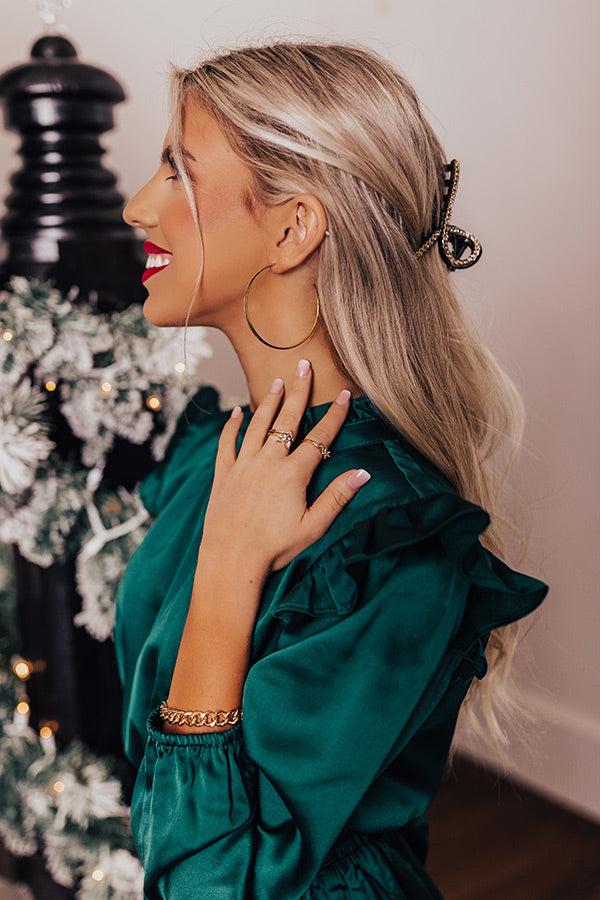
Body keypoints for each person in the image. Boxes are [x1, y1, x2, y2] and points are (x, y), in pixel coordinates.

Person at [115, 40, 549, 899]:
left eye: (179, 171)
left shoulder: (384, 534)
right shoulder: (220, 458)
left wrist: (230, 571)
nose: (138, 207)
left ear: (293, 229)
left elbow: (217, 886)